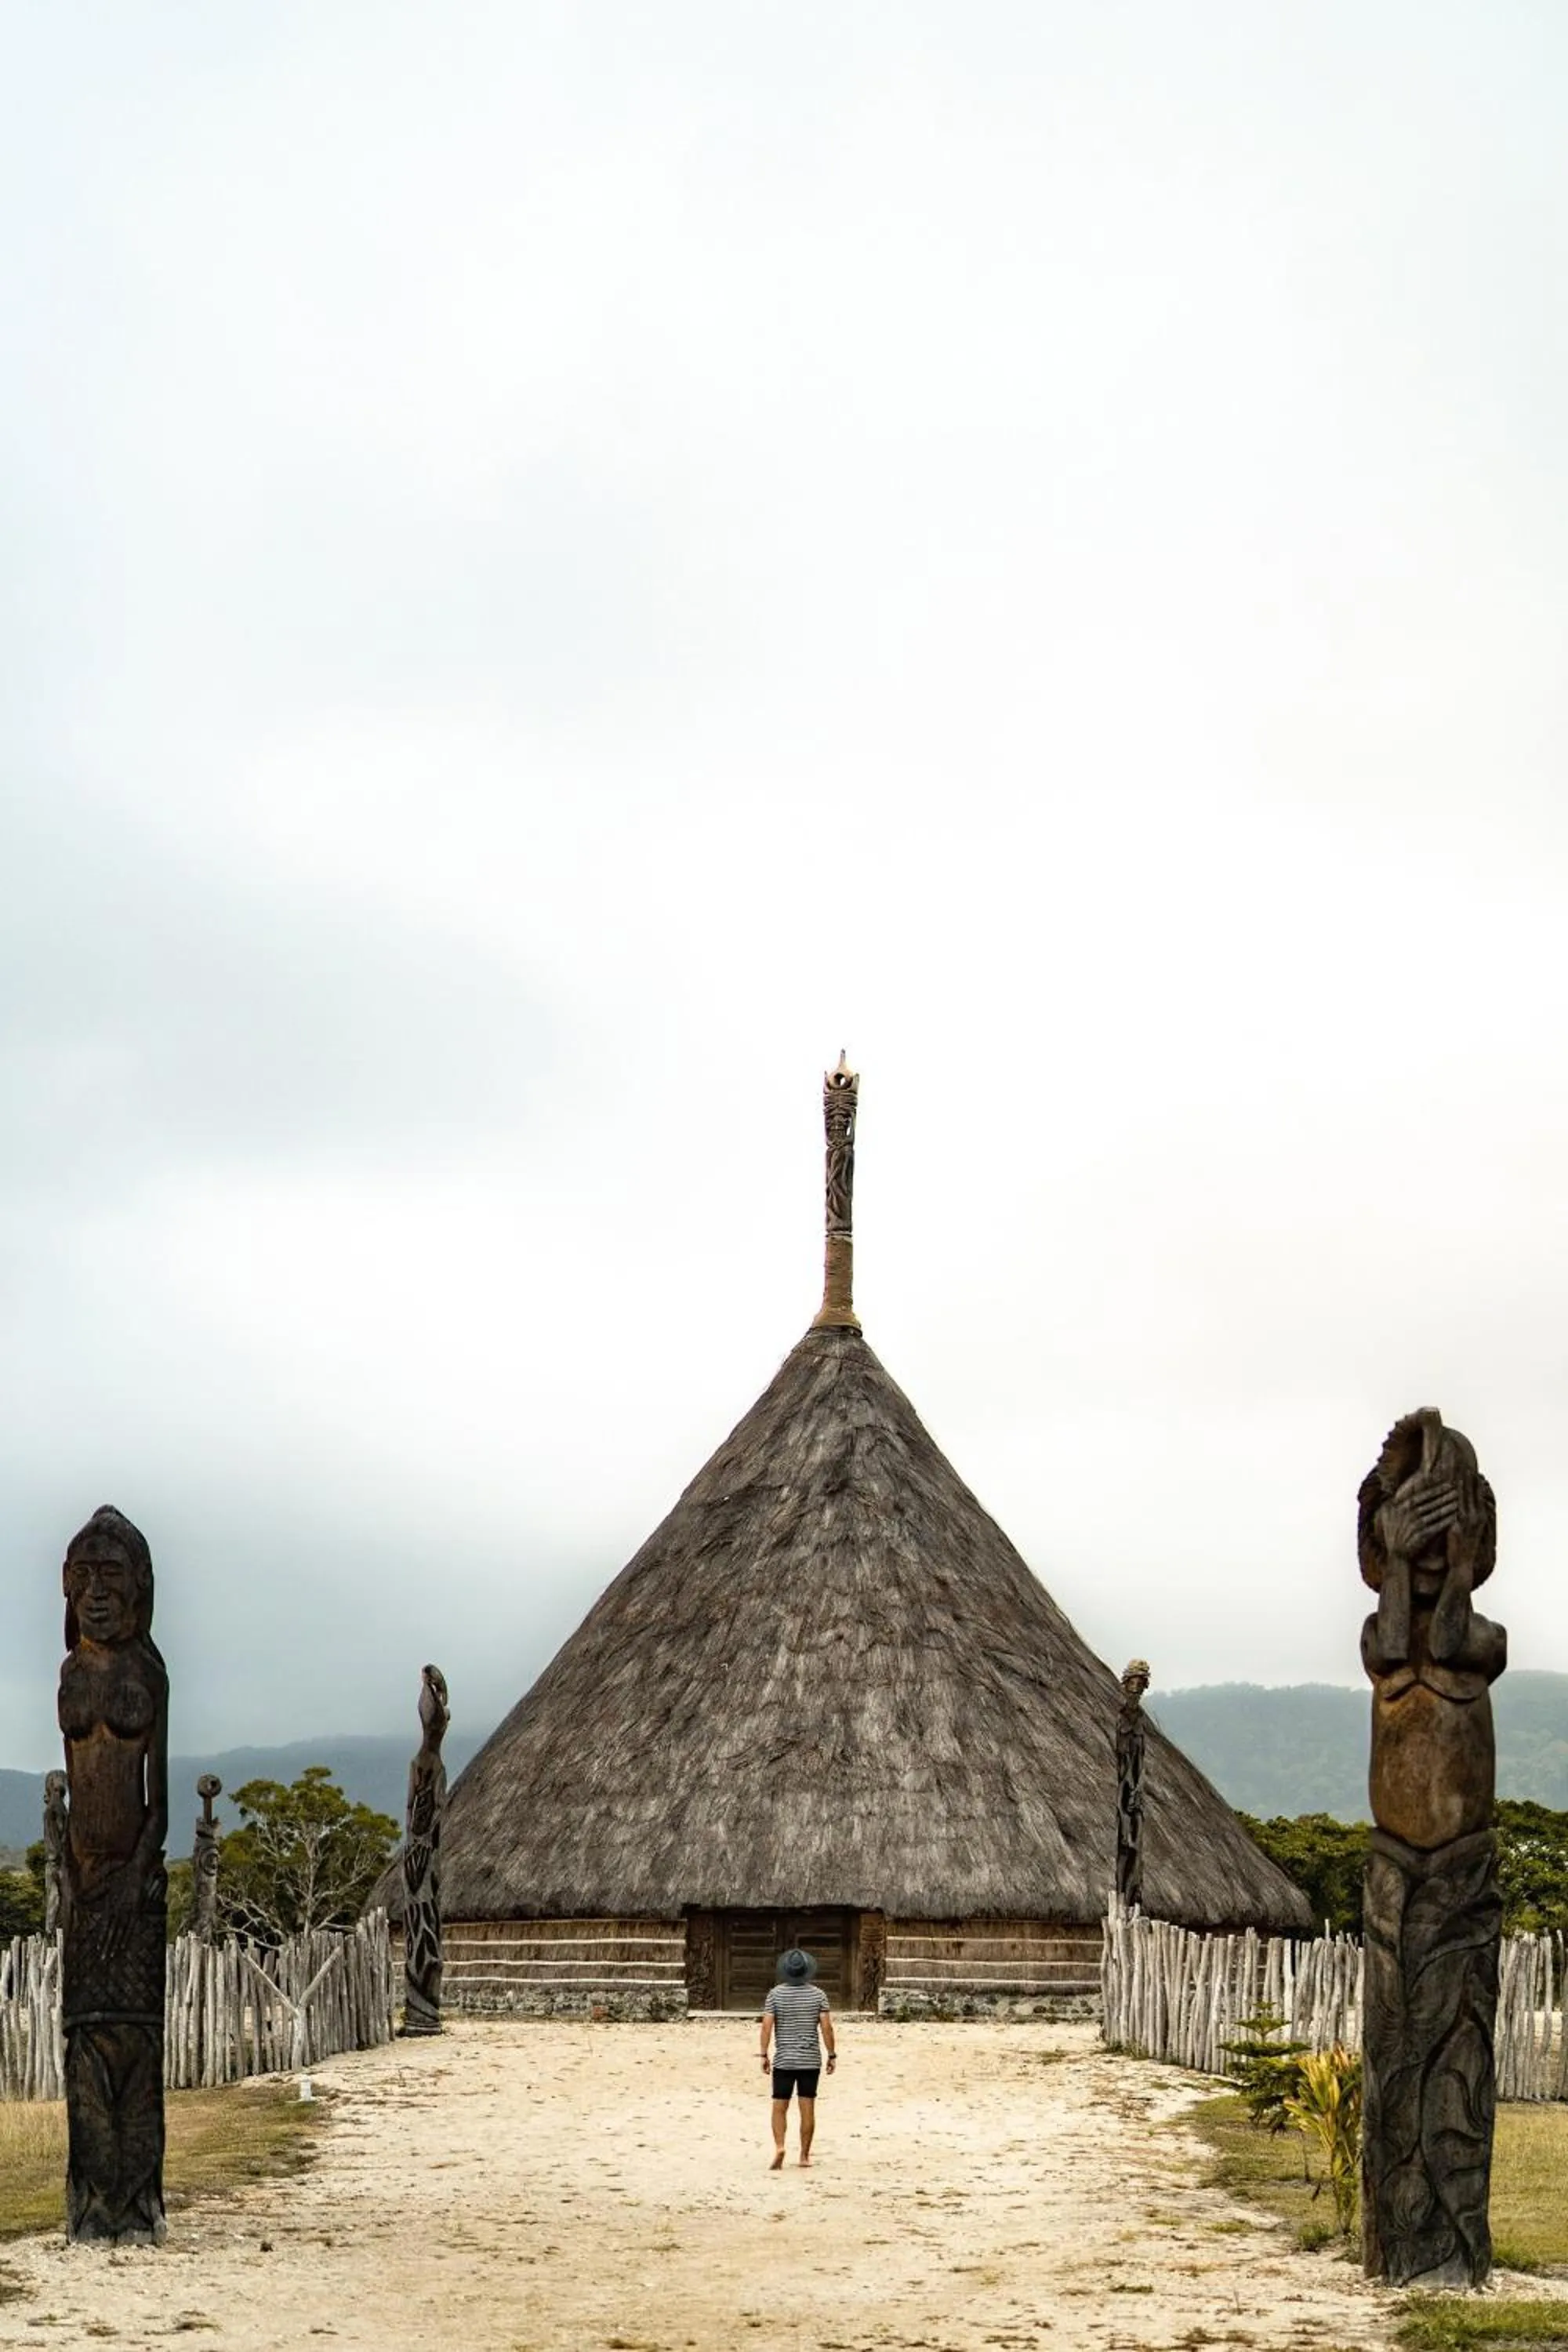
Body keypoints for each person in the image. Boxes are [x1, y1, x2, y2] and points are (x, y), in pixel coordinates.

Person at [759, 1947, 836, 2169]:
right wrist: (831, 2055)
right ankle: (804, 2156)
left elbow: (766, 2026)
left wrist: (764, 2054)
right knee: (807, 2106)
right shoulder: (819, 1995)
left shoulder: (775, 1995)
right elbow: (827, 2028)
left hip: (784, 2059)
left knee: (779, 2106)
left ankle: (780, 2147)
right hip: (810, 2060)